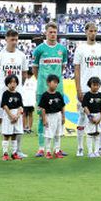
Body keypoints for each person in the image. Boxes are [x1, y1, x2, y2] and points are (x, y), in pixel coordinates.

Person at [30, 22, 69, 158]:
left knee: (58, 117)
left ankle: (57, 148)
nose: (53, 34)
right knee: (42, 116)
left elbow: (62, 68)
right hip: (42, 89)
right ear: (46, 33)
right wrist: (42, 81)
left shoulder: (62, 50)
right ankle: (42, 147)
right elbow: (35, 69)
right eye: (50, 32)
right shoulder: (39, 49)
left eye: (55, 32)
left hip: (58, 89)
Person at [73, 23, 101, 157]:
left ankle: (99, 147)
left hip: (100, 90)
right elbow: (76, 70)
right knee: (82, 118)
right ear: (86, 32)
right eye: (90, 31)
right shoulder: (80, 49)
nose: (93, 33)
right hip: (84, 89)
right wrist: (78, 89)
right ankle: (80, 147)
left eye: (95, 31)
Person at [0, 29, 27, 159]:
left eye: (16, 39)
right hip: (2, 93)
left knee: (18, 122)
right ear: (6, 39)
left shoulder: (21, 55)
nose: (14, 42)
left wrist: (16, 87)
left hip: (17, 93)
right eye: (12, 40)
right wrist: (3, 86)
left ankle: (18, 150)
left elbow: (24, 74)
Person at [36, 73, 66, 158]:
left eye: (57, 82)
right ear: (48, 83)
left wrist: (63, 116)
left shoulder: (58, 94)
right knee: (48, 135)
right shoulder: (45, 95)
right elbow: (42, 108)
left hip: (58, 116)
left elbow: (63, 106)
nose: (56, 84)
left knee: (58, 134)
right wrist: (44, 119)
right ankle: (48, 151)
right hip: (49, 116)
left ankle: (57, 151)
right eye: (54, 82)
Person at [0, 74, 24, 160]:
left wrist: (17, 116)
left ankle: (14, 153)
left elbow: (21, 106)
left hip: (17, 117)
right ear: (7, 84)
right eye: (11, 82)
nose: (13, 84)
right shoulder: (5, 93)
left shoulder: (18, 94)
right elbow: (4, 105)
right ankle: (5, 154)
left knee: (14, 135)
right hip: (8, 116)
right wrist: (11, 115)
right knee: (6, 134)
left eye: (15, 82)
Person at [79, 76, 101, 158]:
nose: (96, 87)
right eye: (94, 85)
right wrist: (90, 117)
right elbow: (85, 106)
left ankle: (96, 151)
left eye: (97, 85)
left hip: (99, 116)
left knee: (98, 134)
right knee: (90, 134)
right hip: (90, 116)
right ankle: (90, 151)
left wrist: (100, 117)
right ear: (90, 85)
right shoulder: (87, 95)